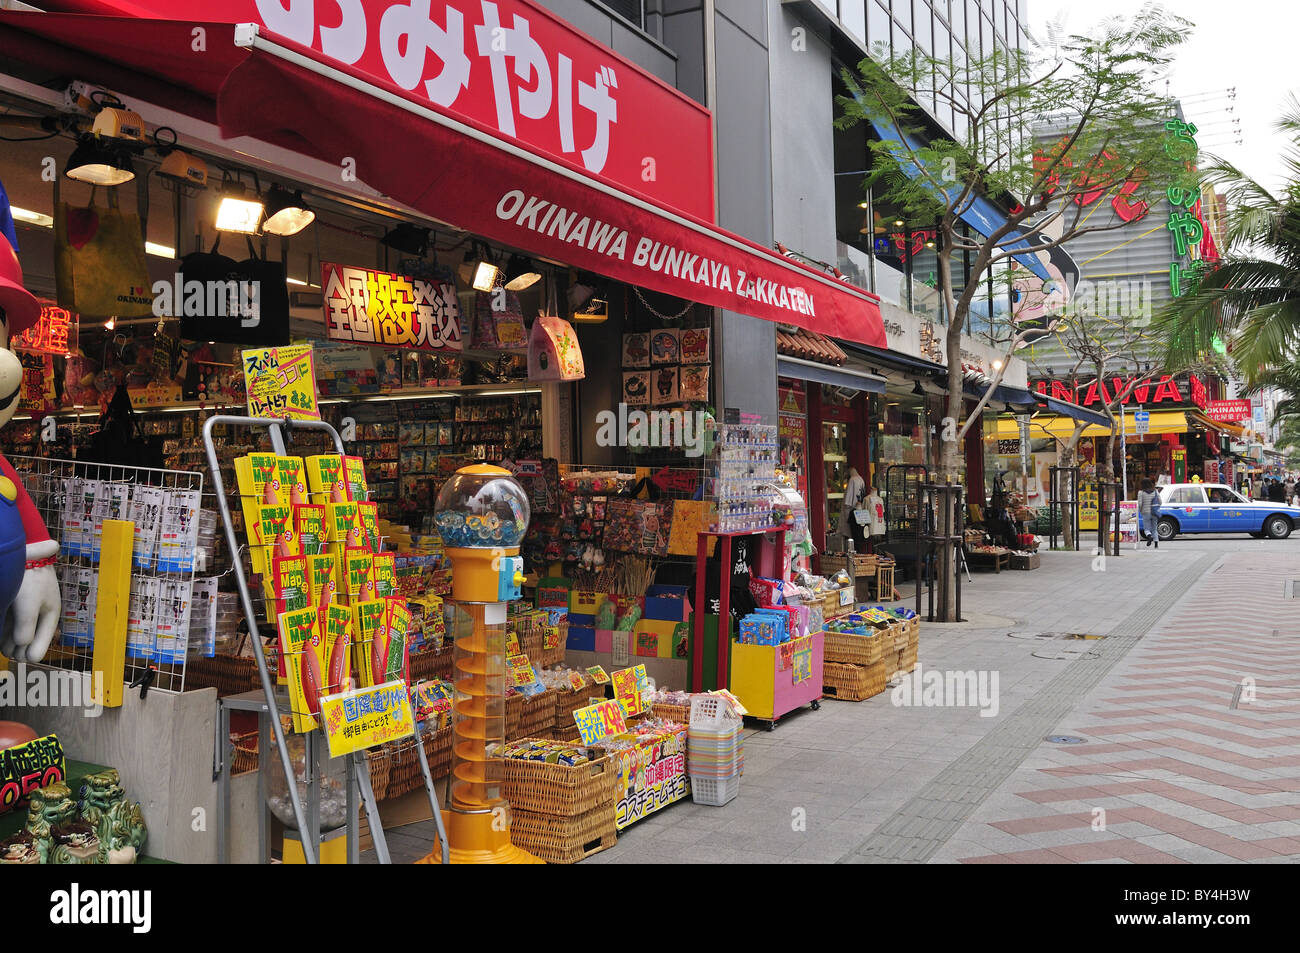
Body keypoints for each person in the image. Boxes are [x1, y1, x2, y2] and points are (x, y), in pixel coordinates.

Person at [1137, 477, 1161, 548]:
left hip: (1145, 512)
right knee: (1154, 528)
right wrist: (1156, 507)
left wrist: (1140, 510)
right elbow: (1160, 502)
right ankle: (1156, 544)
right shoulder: (1155, 491)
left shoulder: (1141, 492)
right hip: (1154, 512)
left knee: (1146, 528)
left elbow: (1140, 503)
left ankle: (1149, 536)